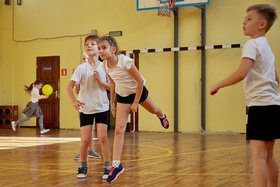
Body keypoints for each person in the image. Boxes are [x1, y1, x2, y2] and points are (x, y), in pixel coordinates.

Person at [210, 4, 279, 187]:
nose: (244, 22)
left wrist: (218, 84)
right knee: (269, 155)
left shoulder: (252, 44)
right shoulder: (267, 47)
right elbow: (275, 77)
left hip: (260, 106)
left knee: (258, 157)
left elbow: (241, 73)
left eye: (249, 19)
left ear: (262, 24)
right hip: (273, 105)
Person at [97, 35, 169, 183]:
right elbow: (112, 84)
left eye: (104, 48)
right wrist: (112, 102)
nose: (101, 51)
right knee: (119, 130)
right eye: (99, 49)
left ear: (113, 49)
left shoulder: (125, 62)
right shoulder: (104, 66)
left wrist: (136, 103)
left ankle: (162, 115)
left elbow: (140, 81)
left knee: (153, 109)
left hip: (138, 91)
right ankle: (116, 165)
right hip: (123, 96)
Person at [67, 35, 111, 180]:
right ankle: (83, 167)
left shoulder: (105, 66)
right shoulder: (81, 68)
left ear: (98, 48)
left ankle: (107, 167)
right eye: (87, 44)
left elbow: (112, 87)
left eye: (93, 44)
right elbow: (70, 86)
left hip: (102, 107)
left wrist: (100, 81)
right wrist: (74, 101)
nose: (89, 46)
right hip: (85, 108)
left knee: (103, 138)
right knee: (85, 139)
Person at [73, 83, 101, 160]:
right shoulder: (81, 73)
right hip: (83, 104)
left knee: (93, 129)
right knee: (84, 129)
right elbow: (77, 91)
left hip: (97, 104)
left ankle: (90, 150)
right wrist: (77, 83)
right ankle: (84, 151)